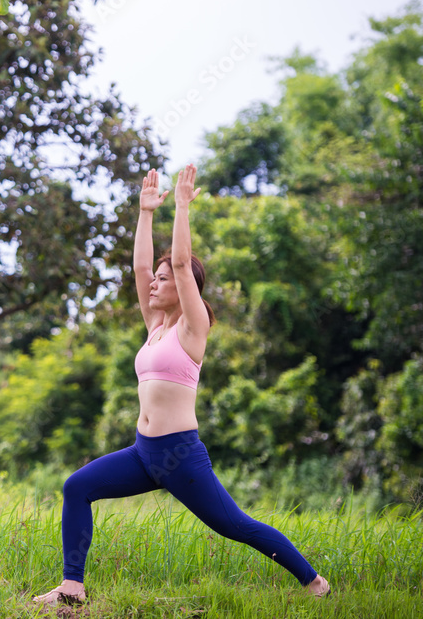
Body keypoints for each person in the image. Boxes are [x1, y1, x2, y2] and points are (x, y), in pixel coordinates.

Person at [32, 164, 331, 605]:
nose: (154, 282)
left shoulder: (194, 327)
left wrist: (183, 206)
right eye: (156, 279)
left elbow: (180, 264)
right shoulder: (155, 323)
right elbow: (139, 267)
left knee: (237, 527)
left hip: (178, 455)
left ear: (184, 287)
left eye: (164, 279)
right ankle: (72, 588)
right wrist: (145, 212)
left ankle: (315, 584)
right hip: (141, 452)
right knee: (77, 487)